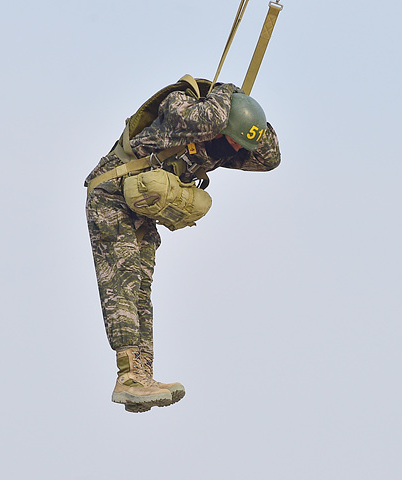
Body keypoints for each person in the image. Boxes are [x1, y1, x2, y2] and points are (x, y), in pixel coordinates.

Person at [84, 78, 281, 412]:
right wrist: (226, 93)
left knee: (141, 291)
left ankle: (141, 377)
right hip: (110, 196)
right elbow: (214, 118)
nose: (233, 151)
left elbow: (270, 157)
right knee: (123, 281)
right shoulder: (181, 110)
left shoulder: (218, 141)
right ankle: (127, 377)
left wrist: (249, 116)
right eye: (232, 141)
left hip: (139, 207)